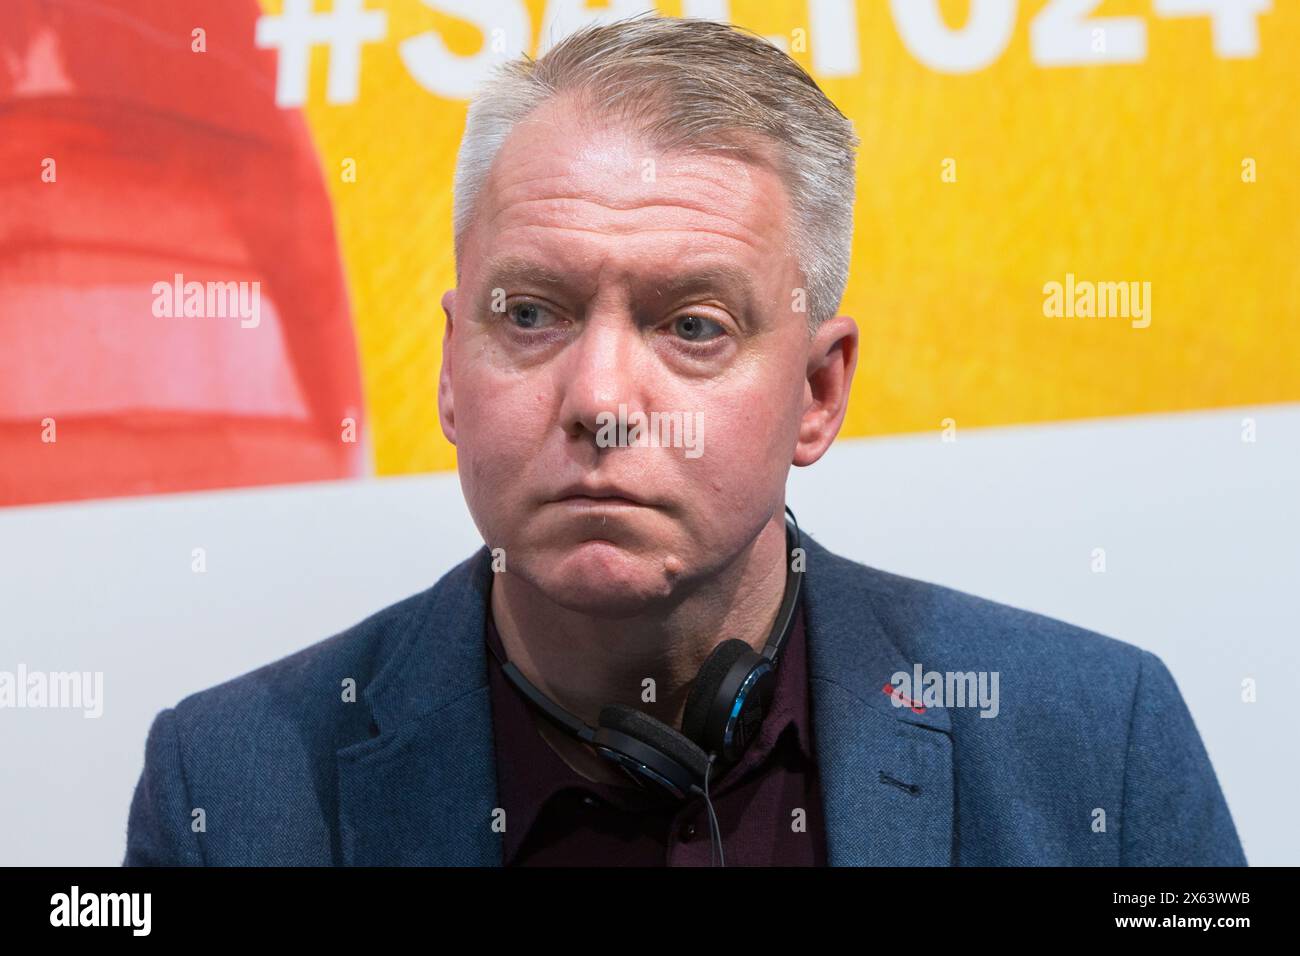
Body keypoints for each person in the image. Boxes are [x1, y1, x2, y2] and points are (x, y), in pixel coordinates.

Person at [124, 14, 1245, 867]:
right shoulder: (229, 783)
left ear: (816, 391)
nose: (601, 397)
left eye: (693, 325)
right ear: (451, 370)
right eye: (529, 315)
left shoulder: (1097, 742)